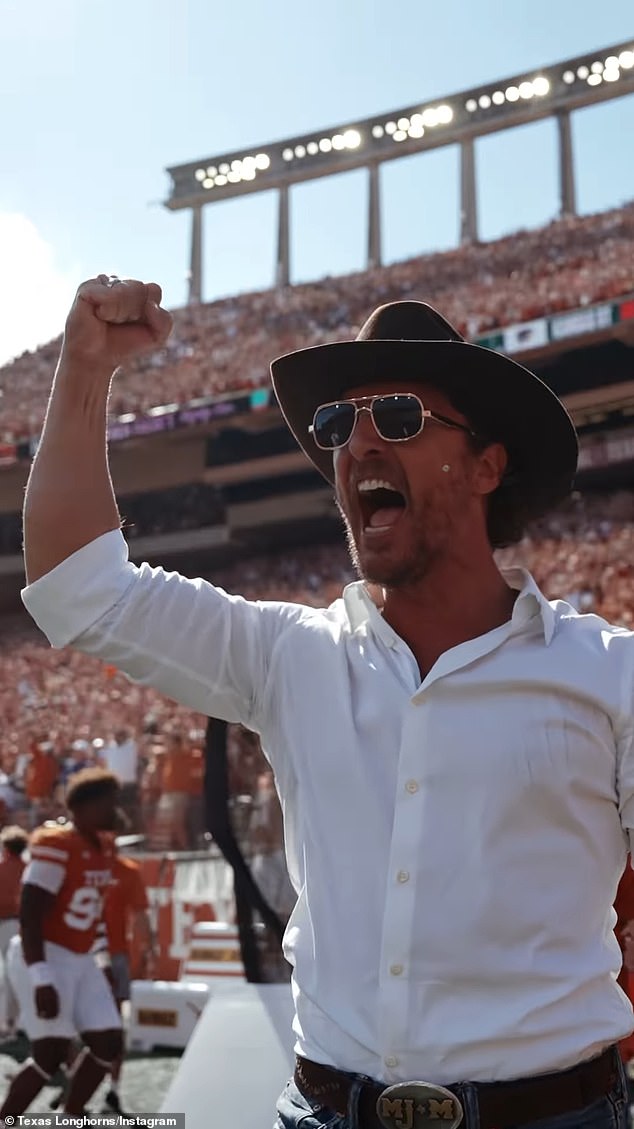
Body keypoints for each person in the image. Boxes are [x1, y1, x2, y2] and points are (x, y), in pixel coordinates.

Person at [19, 275, 634, 1129]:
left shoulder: (607, 675)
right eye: (338, 425)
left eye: (401, 417)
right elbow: (73, 587)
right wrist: (85, 371)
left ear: (488, 464)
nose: (360, 443)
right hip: (322, 1109)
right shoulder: (289, 653)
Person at [0, 768, 123, 1118]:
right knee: (49, 1052)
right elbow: (30, 911)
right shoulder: (56, 844)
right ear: (82, 807)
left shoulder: (103, 846)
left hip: (80, 957)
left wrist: (99, 960)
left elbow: (91, 909)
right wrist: (40, 976)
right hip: (45, 953)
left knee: (108, 1041)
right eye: (108, 803)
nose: (115, 810)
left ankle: (69, 1116)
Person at [97, 847, 156, 1114]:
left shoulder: (127, 870)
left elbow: (141, 914)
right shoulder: (73, 859)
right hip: (77, 955)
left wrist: (148, 948)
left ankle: (112, 1088)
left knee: (113, 1022)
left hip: (112, 954)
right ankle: (75, 1088)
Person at [0, 825, 29, 1038]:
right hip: (26, 925)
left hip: (6, 924)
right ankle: (19, 1020)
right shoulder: (29, 867)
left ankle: (10, 1021)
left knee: (10, 975)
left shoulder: (2, 869)